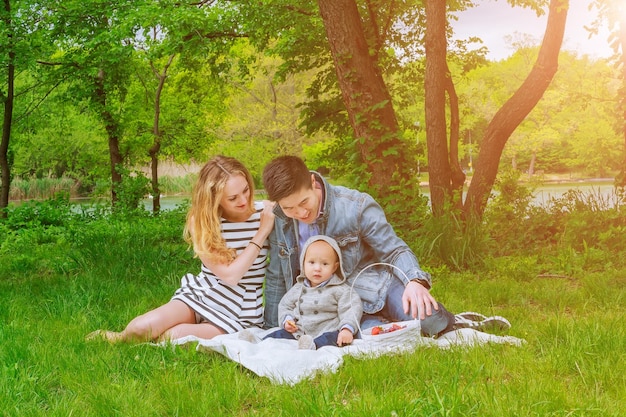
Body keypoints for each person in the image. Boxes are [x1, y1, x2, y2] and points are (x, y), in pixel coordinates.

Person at [262, 155, 510, 338]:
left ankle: (458, 323)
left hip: (375, 287)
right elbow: (276, 276)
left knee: (428, 321)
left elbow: (393, 249)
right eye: (289, 208)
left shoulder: (356, 206)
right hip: (332, 306)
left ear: (314, 183)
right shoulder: (281, 220)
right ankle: (377, 325)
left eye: (304, 202)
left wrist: (415, 281)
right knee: (380, 338)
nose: (300, 212)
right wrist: (272, 329)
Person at [86, 155, 275, 342]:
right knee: (140, 329)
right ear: (214, 198)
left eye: (246, 190)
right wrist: (262, 233)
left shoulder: (265, 212)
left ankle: (201, 330)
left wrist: (265, 226)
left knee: (170, 338)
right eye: (233, 198)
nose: (243, 200)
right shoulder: (202, 221)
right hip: (203, 294)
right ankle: (119, 339)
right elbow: (229, 275)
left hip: (241, 310)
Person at [261, 235, 363, 350]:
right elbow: (285, 305)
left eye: (325, 264)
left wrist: (346, 329)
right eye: (311, 262)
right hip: (298, 332)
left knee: (330, 338)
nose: (317, 268)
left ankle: (312, 346)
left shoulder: (341, 290)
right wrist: (287, 320)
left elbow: (351, 309)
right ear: (303, 264)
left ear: (335, 267)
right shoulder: (298, 288)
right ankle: (257, 344)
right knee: (277, 335)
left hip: (326, 330)